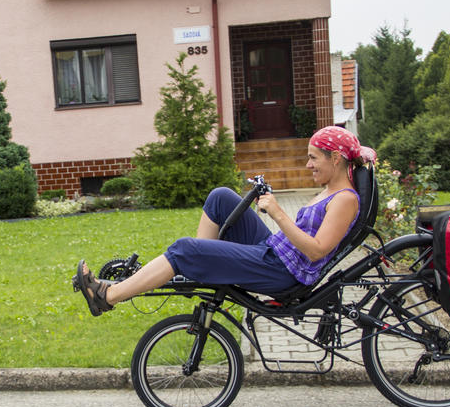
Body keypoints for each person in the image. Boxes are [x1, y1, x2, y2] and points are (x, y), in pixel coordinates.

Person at [74, 126, 377, 316]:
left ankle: (108, 296)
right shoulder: (330, 190)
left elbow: (316, 251)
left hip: (283, 271)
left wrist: (278, 213)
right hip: (276, 252)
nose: (308, 164)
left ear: (336, 158)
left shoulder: (345, 199)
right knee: (221, 196)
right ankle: (203, 266)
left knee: (184, 249)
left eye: (314, 158)